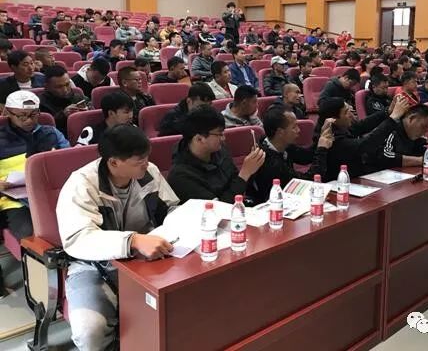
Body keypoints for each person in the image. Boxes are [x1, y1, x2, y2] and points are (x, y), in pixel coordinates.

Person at [57, 125, 179, 350]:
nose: (146, 164)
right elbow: (78, 238)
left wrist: (186, 220)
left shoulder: (148, 173)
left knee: (181, 307)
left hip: (144, 259)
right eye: (139, 160)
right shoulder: (82, 183)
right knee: (90, 330)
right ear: (113, 162)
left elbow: (171, 208)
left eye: (147, 157)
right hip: (95, 266)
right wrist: (132, 240)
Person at [0, 91, 69, 257]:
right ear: (8, 112)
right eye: (22, 116)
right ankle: (41, 268)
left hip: (51, 193)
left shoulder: (51, 133)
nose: (29, 120)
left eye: (33, 114)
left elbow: (69, 161)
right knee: (29, 233)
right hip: (15, 199)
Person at [168, 105, 265, 204]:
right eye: (219, 134)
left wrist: (252, 167)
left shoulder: (219, 150)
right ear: (199, 139)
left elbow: (236, 182)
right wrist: (245, 173)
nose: (223, 138)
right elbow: (217, 208)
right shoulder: (180, 176)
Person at [249, 105, 334, 202]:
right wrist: (322, 149)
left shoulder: (278, 143)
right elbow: (309, 181)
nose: (298, 130)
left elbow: (306, 156)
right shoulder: (270, 162)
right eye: (294, 127)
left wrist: (322, 135)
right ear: (280, 132)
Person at [314, 95, 410, 180]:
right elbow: (366, 144)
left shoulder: (339, 128)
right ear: (333, 119)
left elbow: (362, 125)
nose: (351, 114)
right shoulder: (333, 139)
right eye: (346, 112)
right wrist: (393, 117)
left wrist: (388, 111)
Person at [374, 104, 428, 169]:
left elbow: (425, 150)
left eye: (427, 131)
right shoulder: (390, 128)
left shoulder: (417, 136)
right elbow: (383, 156)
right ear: (411, 118)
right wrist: (420, 161)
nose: (424, 133)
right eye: (423, 127)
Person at [39, 65, 90, 136]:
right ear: (47, 87)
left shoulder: (78, 97)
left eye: (67, 84)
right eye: (59, 87)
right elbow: (45, 130)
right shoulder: (41, 104)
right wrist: (63, 115)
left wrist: (88, 111)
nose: (65, 90)